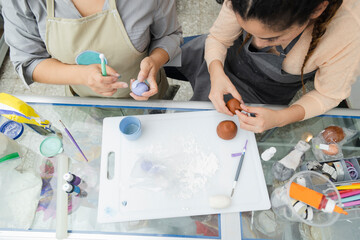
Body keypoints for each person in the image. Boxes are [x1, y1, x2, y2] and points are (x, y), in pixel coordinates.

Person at [167, 0, 360, 133]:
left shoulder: (349, 30)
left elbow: (328, 95)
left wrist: (281, 118)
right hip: (221, 57)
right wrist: (216, 71)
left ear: (317, 9)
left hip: (263, 92)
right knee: (160, 56)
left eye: (273, 38)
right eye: (247, 30)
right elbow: (218, 37)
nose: (257, 45)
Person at [2, 0, 182, 100]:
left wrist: (155, 60)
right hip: (84, 102)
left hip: (149, 99)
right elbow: (29, 61)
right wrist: (82, 76)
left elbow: (169, 35)